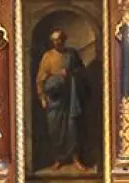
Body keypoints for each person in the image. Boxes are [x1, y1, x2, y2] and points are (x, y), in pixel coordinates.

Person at [36, 29, 90, 172]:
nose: (57, 42)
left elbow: (82, 71)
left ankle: (76, 158)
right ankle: (58, 159)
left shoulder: (71, 54)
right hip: (55, 99)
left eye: (59, 39)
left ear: (63, 40)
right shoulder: (47, 57)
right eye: (54, 40)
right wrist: (42, 96)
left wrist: (71, 74)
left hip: (71, 98)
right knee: (55, 130)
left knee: (73, 129)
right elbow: (41, 78)